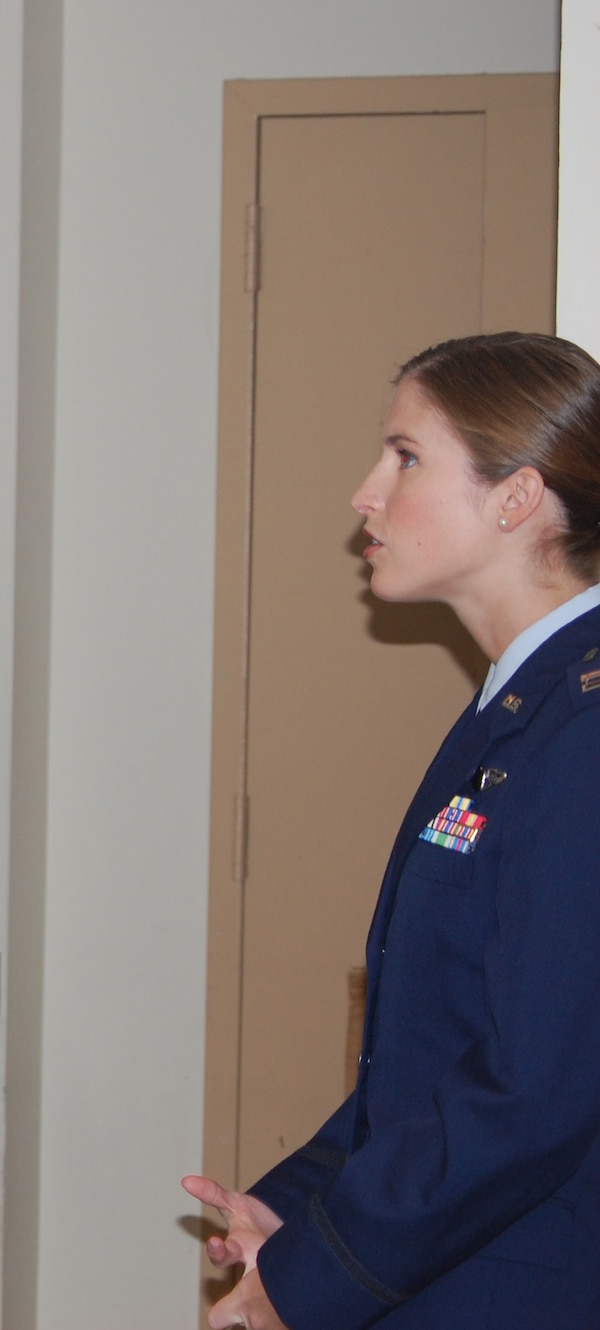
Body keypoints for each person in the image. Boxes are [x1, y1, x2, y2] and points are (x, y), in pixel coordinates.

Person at [184, 331, 600, 1329]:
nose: (363, 493)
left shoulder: (582, 725)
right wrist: (300, 1207)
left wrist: (312, 1281)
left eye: (405, 457)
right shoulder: (518, 708)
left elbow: (527, 1092)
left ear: (515, 496)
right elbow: (428, 1054)